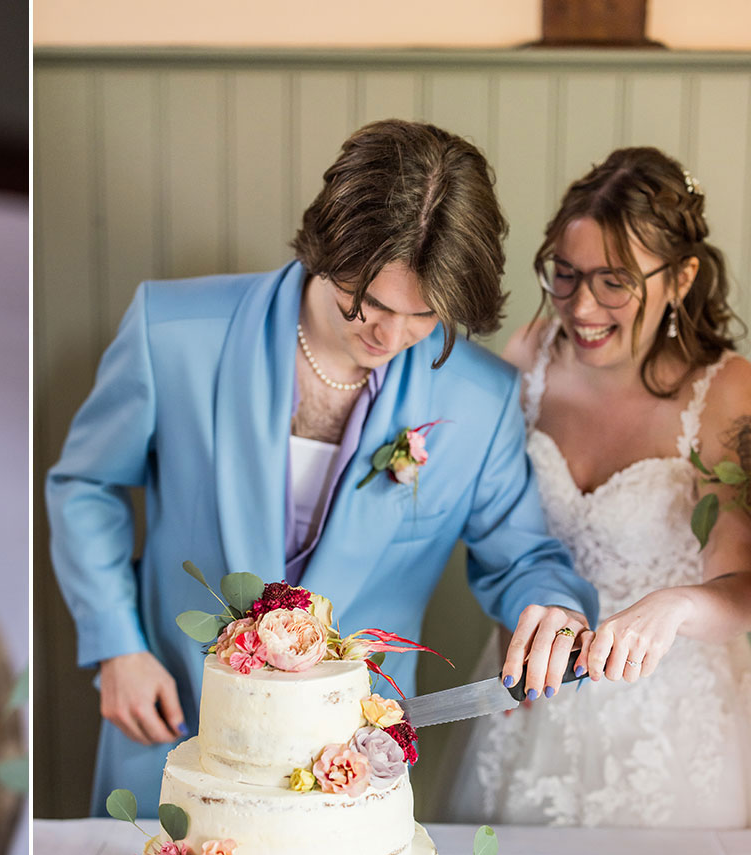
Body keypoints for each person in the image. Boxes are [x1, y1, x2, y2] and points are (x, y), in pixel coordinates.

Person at [46, 119, 599, 813]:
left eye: (424, 316)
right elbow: (86, 486)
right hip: (173, 720)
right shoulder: (173, 333)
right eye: (366, 303)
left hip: (348, 767)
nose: (390, 337)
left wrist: (550, 611)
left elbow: (521, 558)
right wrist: (116, 646)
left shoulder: (480, 400)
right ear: (325, 244)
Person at [446, 147, 751, 828]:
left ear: (681, 277)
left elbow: (741, 584)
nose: (581, 306)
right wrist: (509, 626)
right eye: (565, 273)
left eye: (614, 281)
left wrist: (673, 607)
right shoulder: (527, 359)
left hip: (670, 717)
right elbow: (503, 528)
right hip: (532, 690)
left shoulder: (726, 393)